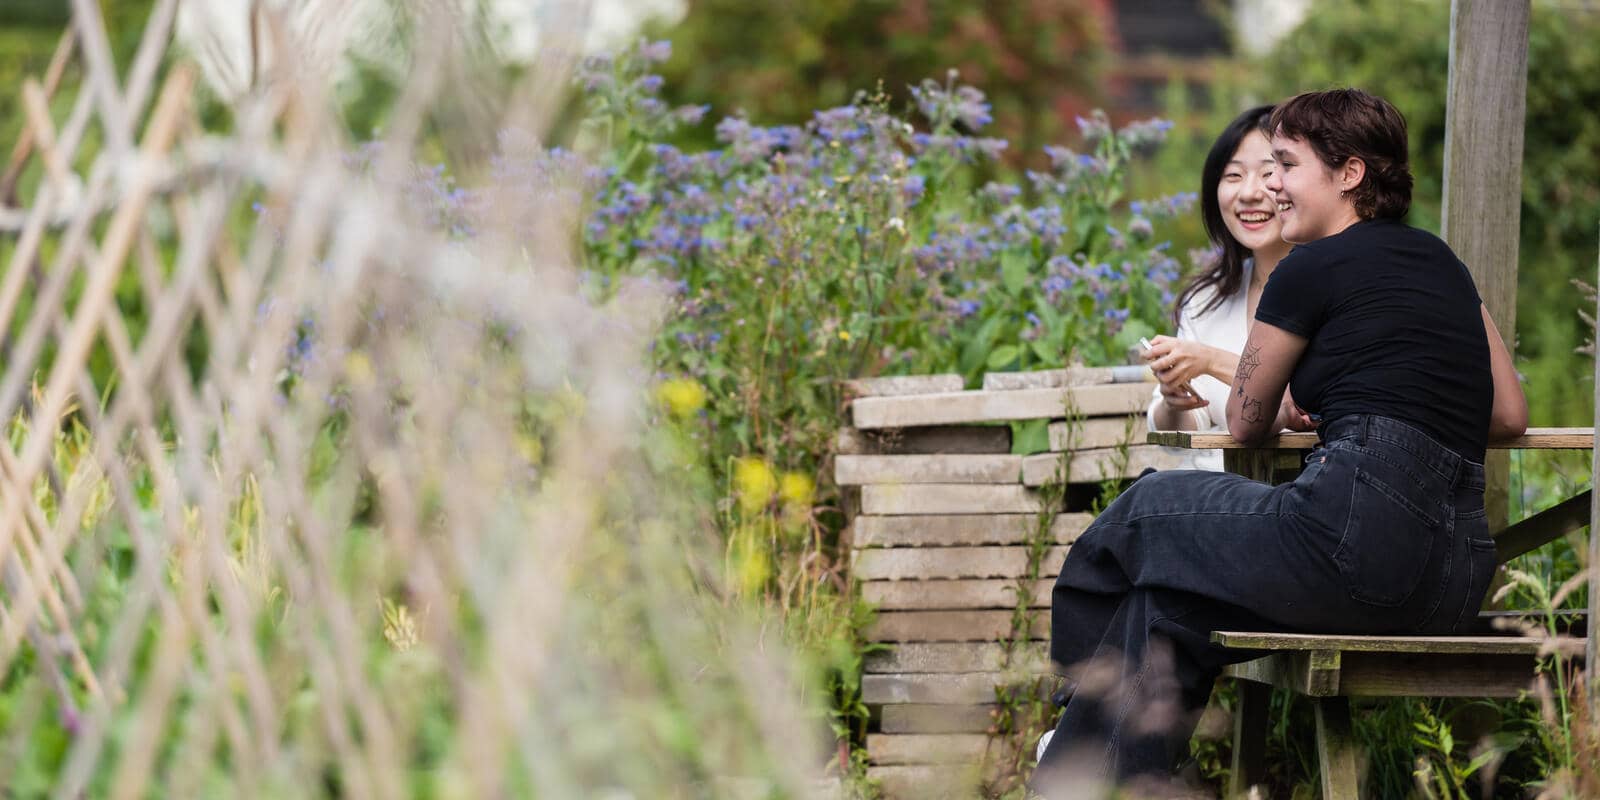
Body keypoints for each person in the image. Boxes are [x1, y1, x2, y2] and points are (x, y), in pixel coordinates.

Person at [1033, 89, 1528, 795]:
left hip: (1350, 547)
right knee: (1164, 608)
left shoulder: (1309, 266)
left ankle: (1063, 713)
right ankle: (1090, 780)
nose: (1271, 185)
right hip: (1455, 580)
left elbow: (1244, 420)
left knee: (1141, 511)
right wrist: (1378, 399)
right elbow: (1508, 413)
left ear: (1348, 174)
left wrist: (1320, 408)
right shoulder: (1441, 263)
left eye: (1285, 166)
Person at [1143, 105, 1295, 470]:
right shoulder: (1206, 299)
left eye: (1268, 173)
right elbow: (1183, 437)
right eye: (1233, 175)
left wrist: (1209, 361)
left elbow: (1304, 405)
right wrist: (1174, 399)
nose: (1249, 193)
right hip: (1209, 493)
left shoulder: (1334, 290)